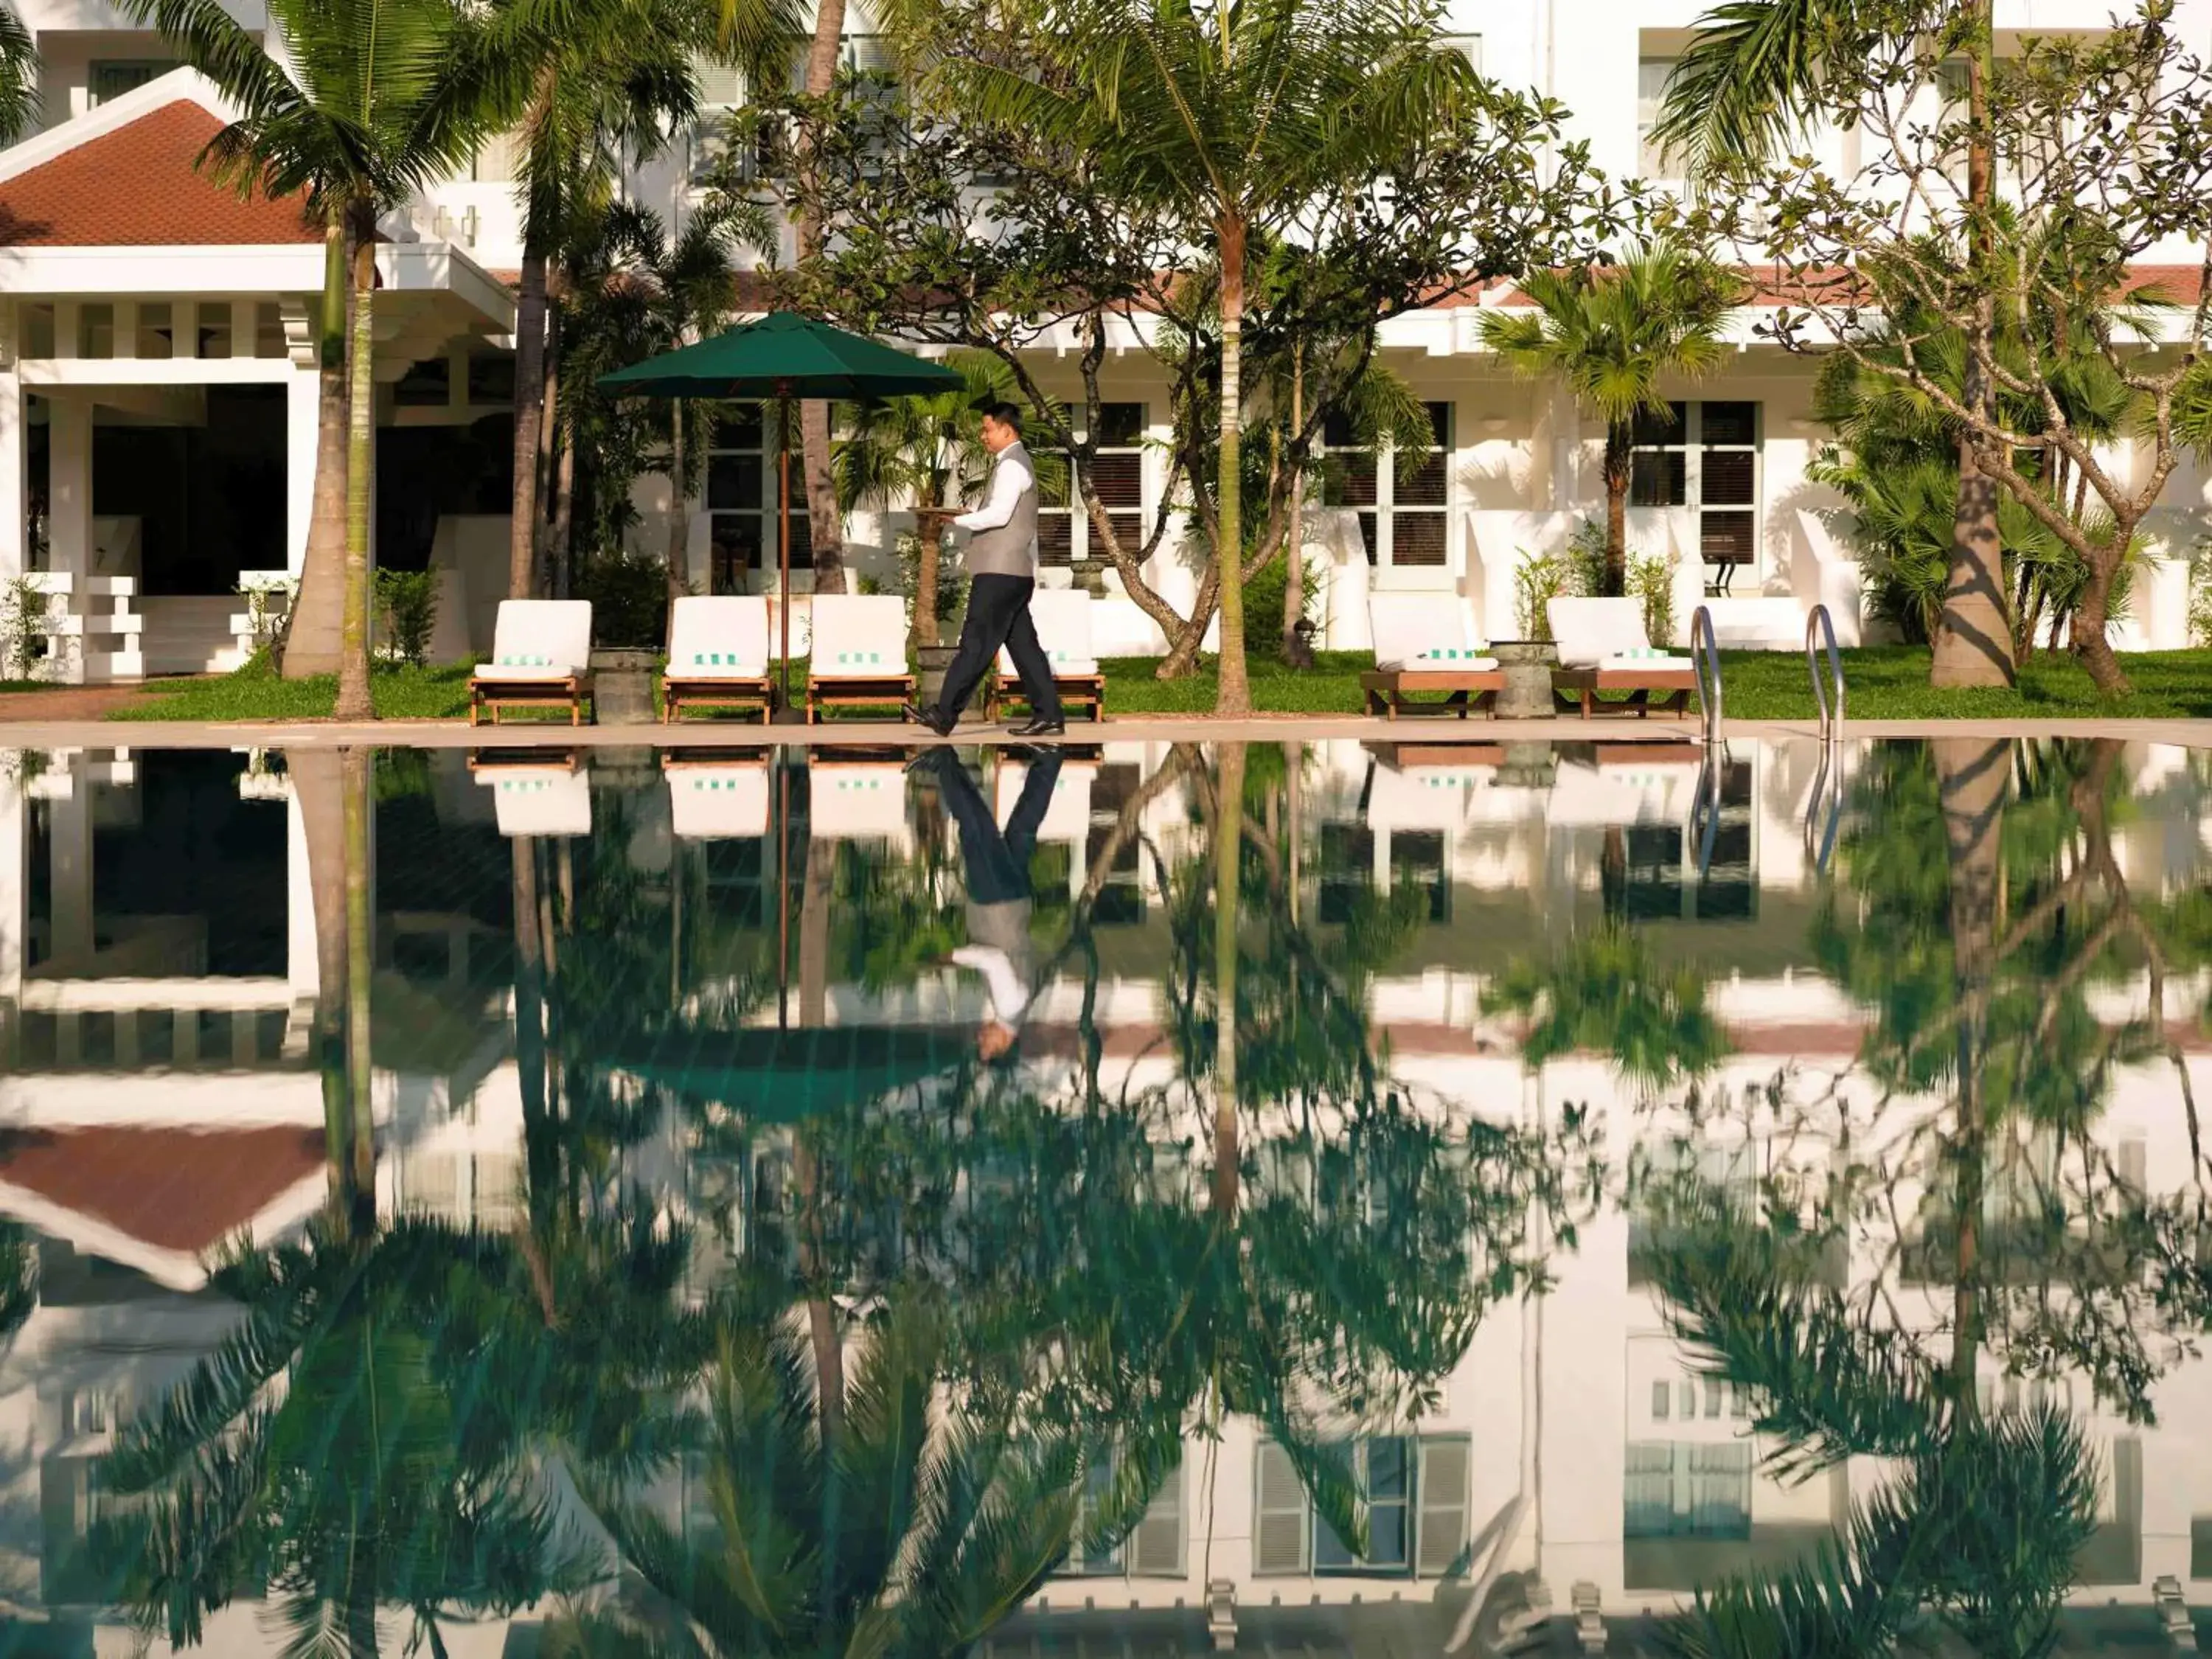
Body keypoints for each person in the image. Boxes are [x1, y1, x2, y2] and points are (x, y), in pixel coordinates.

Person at [905, 403, 1065, 739]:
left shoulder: (1011, 466)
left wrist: (959, 520)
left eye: (987, 429)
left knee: (975, 644)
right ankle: (1049, 714)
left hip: (1000, 574)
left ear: (1007, 430)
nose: (983, 436)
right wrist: (968, 514)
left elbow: (999, 515)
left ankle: (944, 714)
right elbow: (999, 512)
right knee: (1024, 647)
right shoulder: (1014, 464)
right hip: (1014, 573)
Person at [915, 745, 1063, 1062]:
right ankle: (943, 763)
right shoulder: (1009, 1006)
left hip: (1013, 904)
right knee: (975, 831)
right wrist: (949, 958)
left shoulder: (1018, 1008)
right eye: (985, 1046)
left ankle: (1050, 761)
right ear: (1002, 1046)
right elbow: (993, 959)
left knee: (1022, 828)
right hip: (997, 904)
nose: (980, 1037)